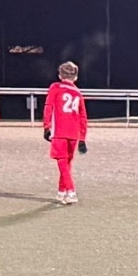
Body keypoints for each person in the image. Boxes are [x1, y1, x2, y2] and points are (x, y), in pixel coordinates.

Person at [42, 61, 89, 205]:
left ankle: (71, 191)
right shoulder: (78, 93)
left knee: (62, 163)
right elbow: (83, 117)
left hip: (59, 131)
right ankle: (61, 192)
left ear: (60, 75)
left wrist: (46, 126)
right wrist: (82, 138)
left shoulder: (55, 87)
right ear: (76, 77)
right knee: (67, 163)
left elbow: (48, 107)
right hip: (73, 133)